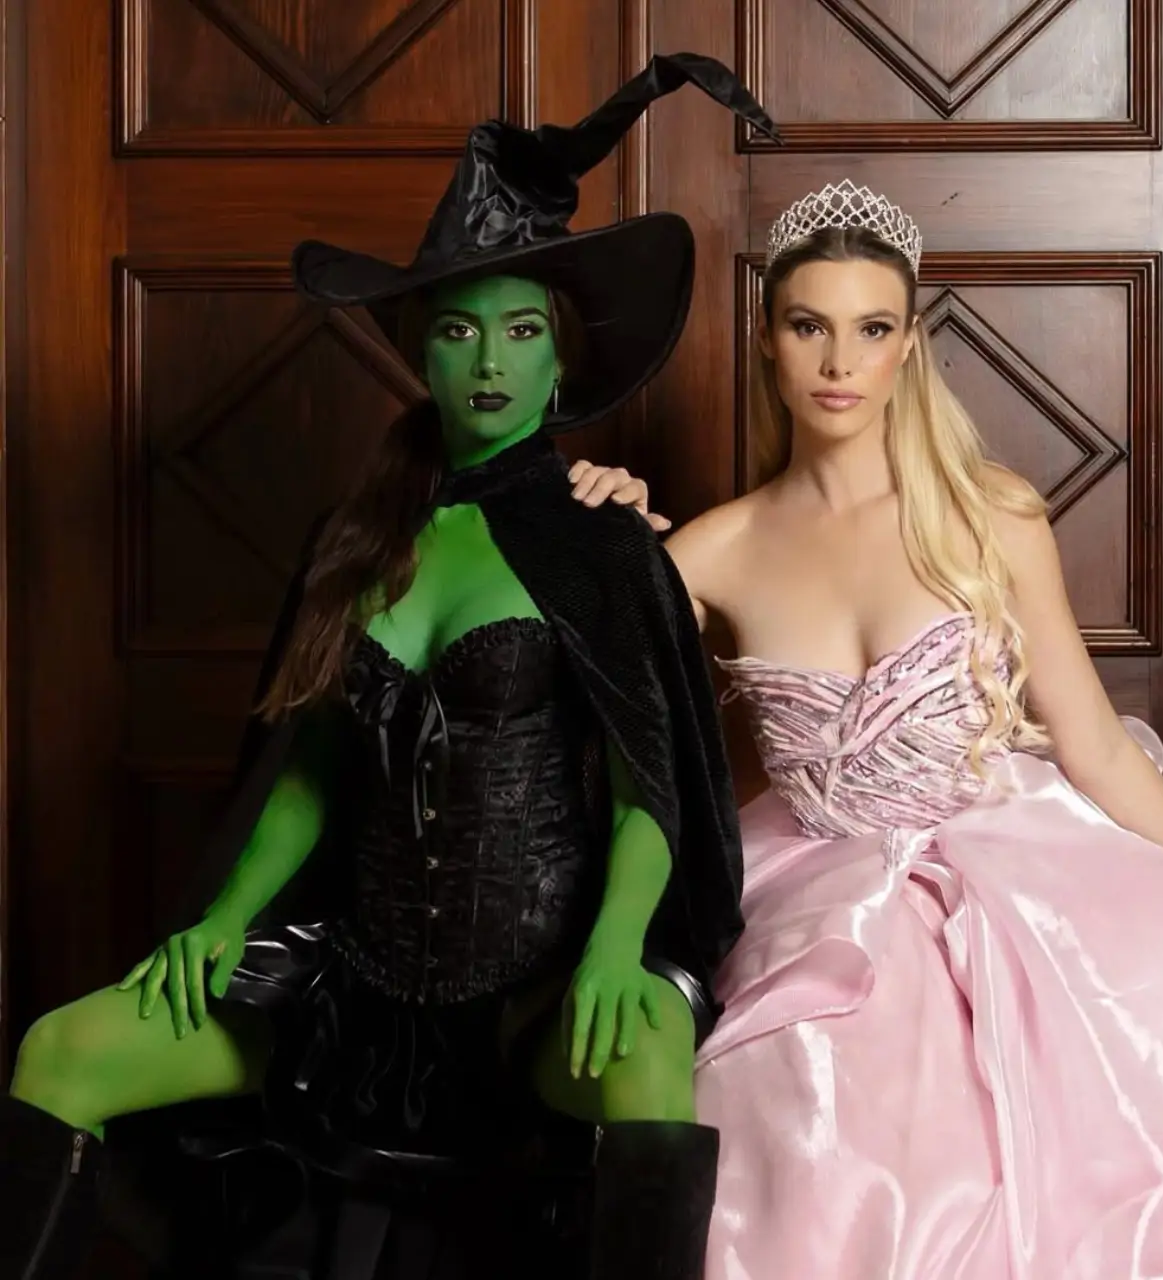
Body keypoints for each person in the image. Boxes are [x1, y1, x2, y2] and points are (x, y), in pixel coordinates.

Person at [0, 54, 779, 1280]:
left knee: (644, 1059)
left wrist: (615, 947)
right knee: (61, 1049)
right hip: (350, 979)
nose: (488, 362)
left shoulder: (600, 545)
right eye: (459, 331)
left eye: (520, 331)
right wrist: (222, 919)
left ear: (560, 360)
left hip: (532, 985)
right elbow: (311, 766)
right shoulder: (358, 537)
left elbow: (652, 787)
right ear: (420, 349)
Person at [569, 181, 1163, 1278]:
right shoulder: (705, 552)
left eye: (871, 329)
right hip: (818, 894)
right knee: (822, 1118)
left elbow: (1091, 743)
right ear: (767, 342)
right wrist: (594, 534)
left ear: (907, 347)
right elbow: (554, 693)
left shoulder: (992, 514)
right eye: (808, 325)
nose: (838, 361)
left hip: (1017, 865)